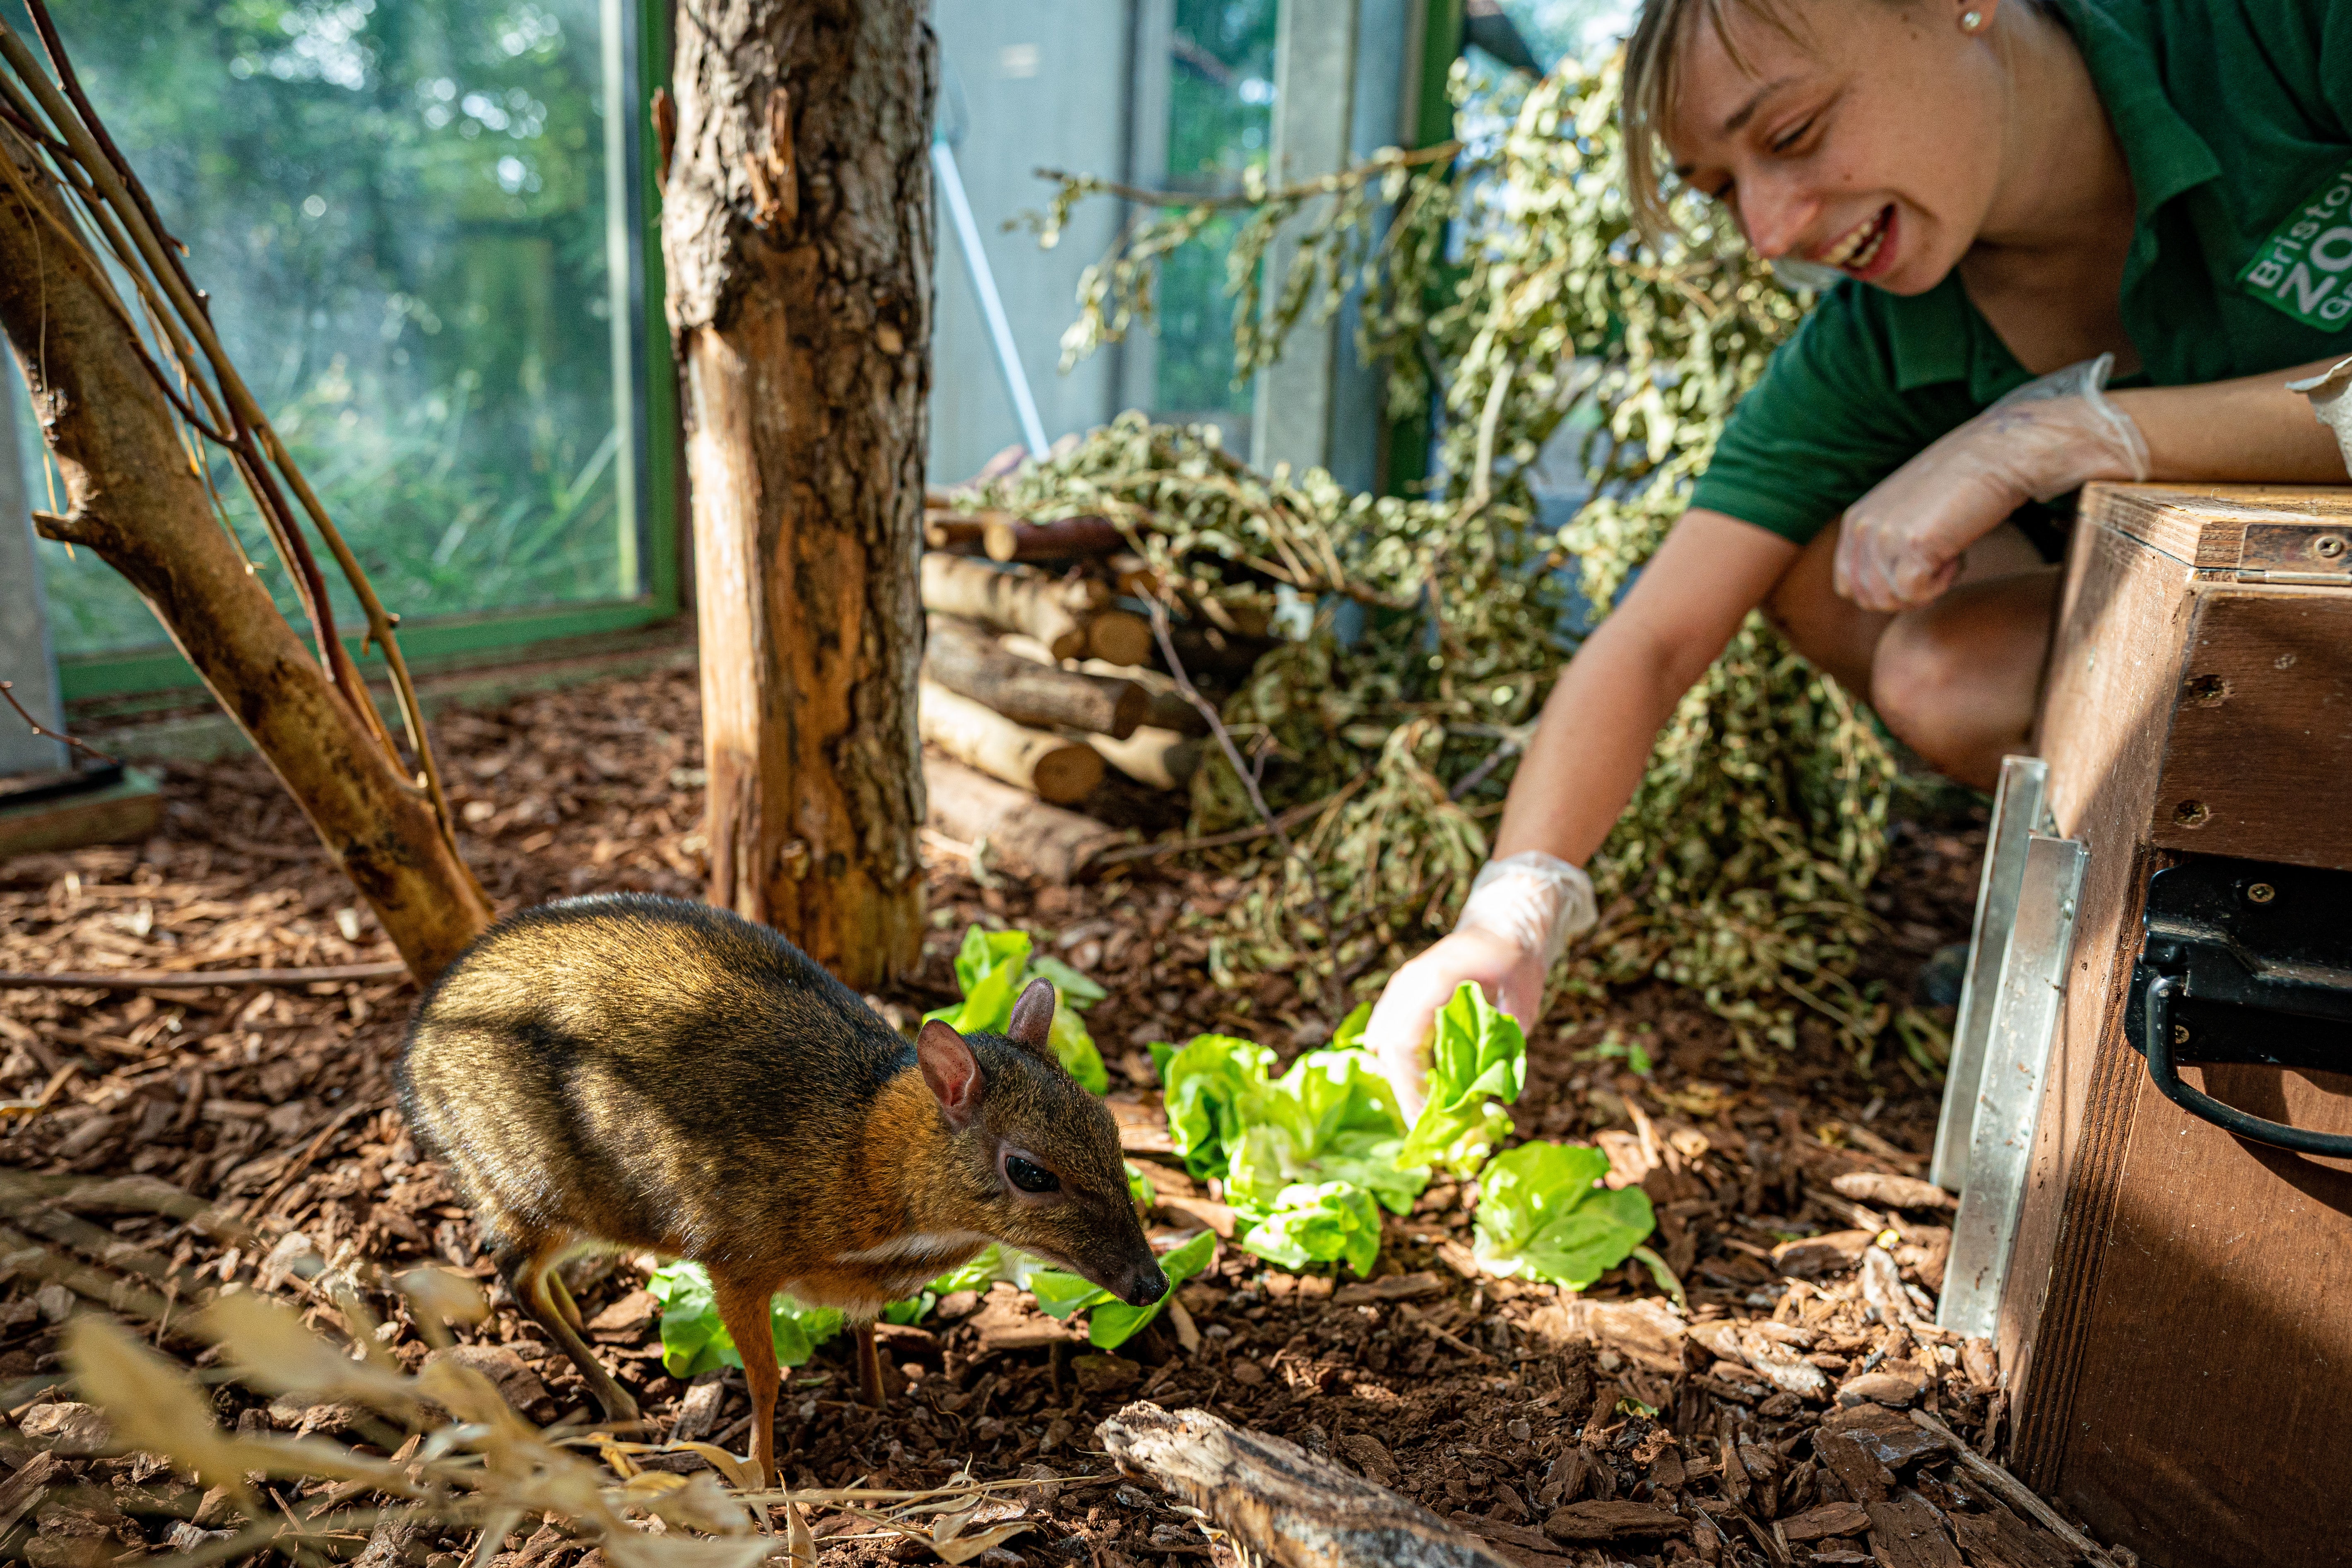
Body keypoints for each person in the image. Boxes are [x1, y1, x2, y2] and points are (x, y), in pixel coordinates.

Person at [1365, 0, 2352, 1118]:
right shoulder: (1874, 341)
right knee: (1850, 593)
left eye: (1788, 135)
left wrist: (2063, 435)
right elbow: (1652, 637)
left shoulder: (2266, 32)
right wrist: (1509, 920)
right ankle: (2227, 922)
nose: (1771, 233)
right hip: (2286, 714)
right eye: (1722, 190)